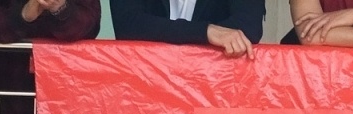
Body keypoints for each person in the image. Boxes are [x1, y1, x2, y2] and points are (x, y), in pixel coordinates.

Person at [108, 0, 262, 52]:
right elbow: (127, 25)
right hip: (145, 86)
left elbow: (249, 26)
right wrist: (206, 32)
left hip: (215, 87)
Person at [0, 0, 99, 40]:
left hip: (62, 85)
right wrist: (22, 16)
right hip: (1, 85)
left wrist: (60, 8)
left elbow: (90, 26)